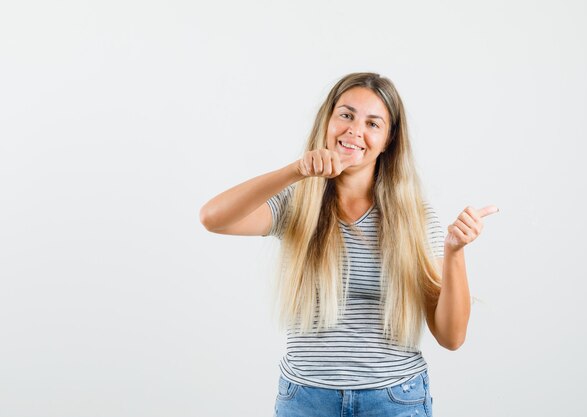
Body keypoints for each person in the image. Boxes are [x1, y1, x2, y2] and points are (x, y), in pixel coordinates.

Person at [199, 72, 498, 417]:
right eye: (346, 115)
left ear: (388, 140)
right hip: (306, 400)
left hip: (394, 399)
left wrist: (454, 251)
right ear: (328, 120)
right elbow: (212, 218)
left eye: (373, 123)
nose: (355, 130)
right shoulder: (296, 204)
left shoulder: (415, 218)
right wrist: (297, 171)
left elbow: (451, 337)